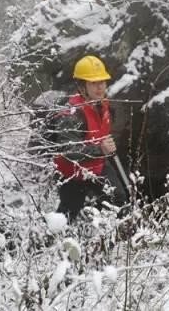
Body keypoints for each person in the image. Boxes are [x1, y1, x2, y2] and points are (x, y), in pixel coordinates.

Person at [53, 55, 128, 221]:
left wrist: (103, 150)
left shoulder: (104, 105)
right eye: (93, 83)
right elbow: (68, 150)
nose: (100, 87)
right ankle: (53, 242)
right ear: (81, 86)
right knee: (67, 215)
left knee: (119, 200)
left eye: (102, 81)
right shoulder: (71, 114)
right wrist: (100, 149)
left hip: (97, 167)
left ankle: (107, 240)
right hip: (72, 173)